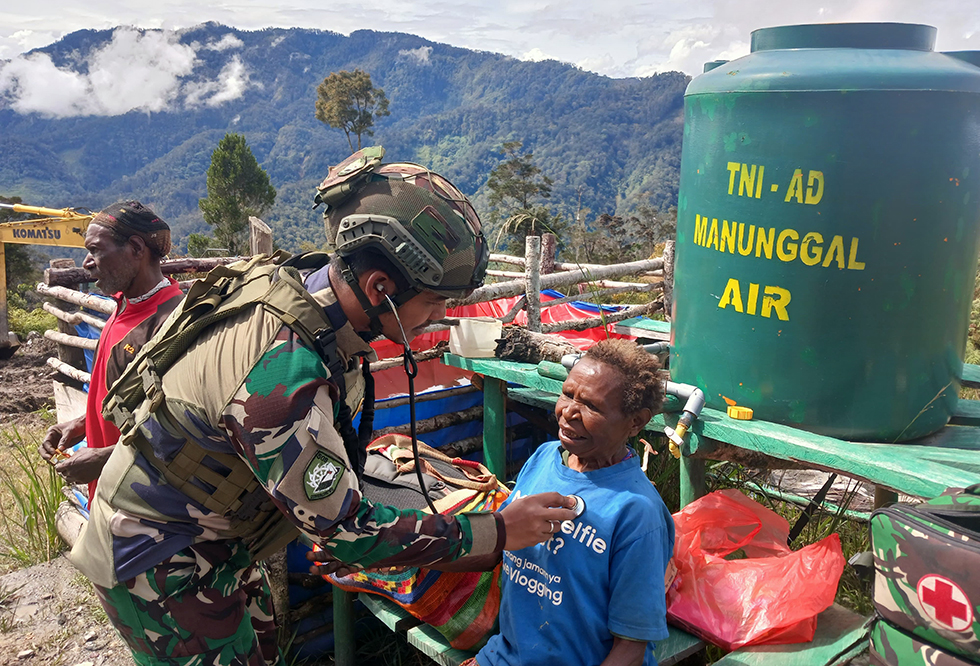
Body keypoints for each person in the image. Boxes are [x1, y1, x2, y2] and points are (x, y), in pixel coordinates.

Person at [68, 147, 578, 666]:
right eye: (432, 302)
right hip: (159, 561)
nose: (438, 317)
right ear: (380, 287)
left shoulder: (303, 296)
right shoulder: (279, 370)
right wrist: (498, 531)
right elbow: (345, 531)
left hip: (218, 540)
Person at [454, 339, 675, 666]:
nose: (569, 412)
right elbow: (494, 549)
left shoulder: (636, 512)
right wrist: (408, 553)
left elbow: (630, 649)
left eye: (592, 406)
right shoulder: (546, 458)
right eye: (568, 394)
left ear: (636, 421)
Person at [39, 201, 183, 504]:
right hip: (114, 500)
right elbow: (126, 400)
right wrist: (81, 423)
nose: (88, 262)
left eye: (97, 250)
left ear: (135, 248)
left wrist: (105, 458)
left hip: (148, 511)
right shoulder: (123, 306)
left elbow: (181, 430)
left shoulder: (172, 323)